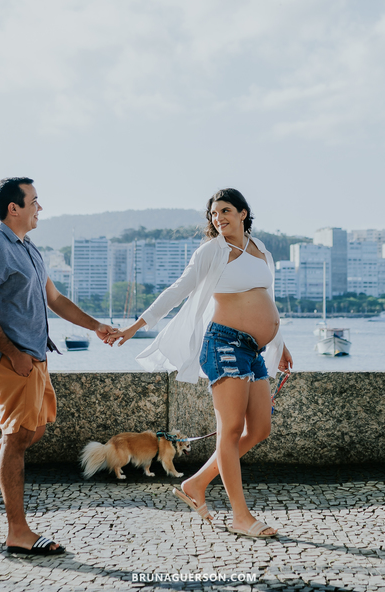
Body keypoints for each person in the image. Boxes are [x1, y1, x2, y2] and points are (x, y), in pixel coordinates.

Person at [107, 188, 293, 538]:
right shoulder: (212, 251)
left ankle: (195, 485)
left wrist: (279, 343)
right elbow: (177, 290)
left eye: (224, 211)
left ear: (242, 213)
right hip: (224, 344)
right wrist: (135, 326)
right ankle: (240, 516)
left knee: (260, 429)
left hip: (253, 349)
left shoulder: (261, 249)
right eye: (212, 214)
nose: (217, 218)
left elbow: (267, 298)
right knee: (231, 429)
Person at [0, 177, 114, 556]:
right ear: (14, 208)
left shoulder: (29, 248)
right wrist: (13, 354)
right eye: (35, 201)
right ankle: (17, 531)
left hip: (35, 357)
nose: (40, 208)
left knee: (27, 433)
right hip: (13, 361)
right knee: (17, 439)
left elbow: (55, 299)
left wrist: (96, 326)